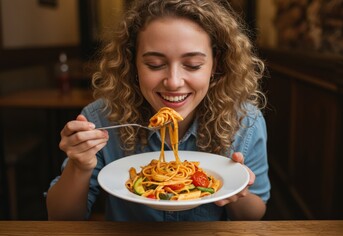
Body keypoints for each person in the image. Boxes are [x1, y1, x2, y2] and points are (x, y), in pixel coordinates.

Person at [46, 0, 270, 221]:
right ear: (133, 63)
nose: (173, 82)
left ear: (216, 65)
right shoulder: (101, 118)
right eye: (154, 64)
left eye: (192, 65)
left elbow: (253, 215)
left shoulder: (244, 121)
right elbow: (60, 218)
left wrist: (238, 190)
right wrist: (79, 166)